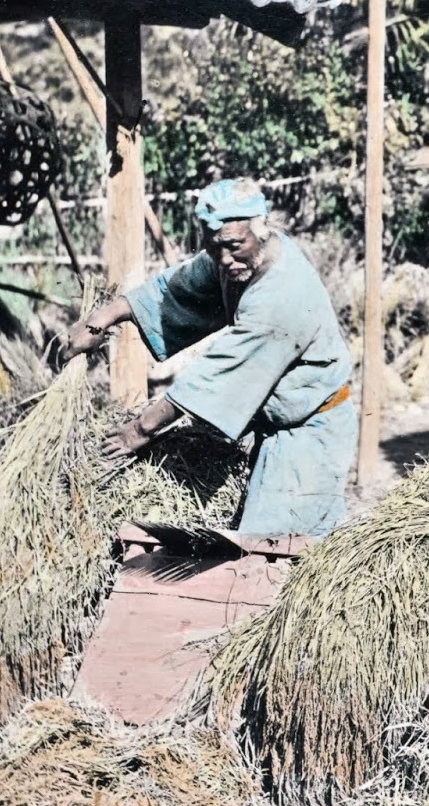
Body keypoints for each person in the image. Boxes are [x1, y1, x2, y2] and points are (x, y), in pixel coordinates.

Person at [60, 178, 357, 537]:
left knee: (274, 552)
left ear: (262, 231)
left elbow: (215, 378)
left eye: (234, 246)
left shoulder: (281, 296)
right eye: (214, 248)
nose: (224, 260)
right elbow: (173, 288)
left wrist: (137, 432)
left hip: (310, 436)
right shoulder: (232, 256)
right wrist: (98, 320)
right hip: (275, 429)